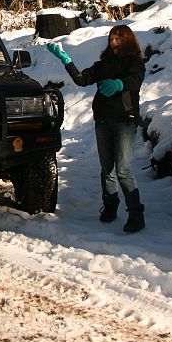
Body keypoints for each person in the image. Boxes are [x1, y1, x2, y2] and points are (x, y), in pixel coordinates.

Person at [46, 25, 146, 233]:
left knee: (123, 169)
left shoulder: (134, 62)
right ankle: (110, 207)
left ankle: (136, 214)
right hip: (103, 121)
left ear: (127, 40)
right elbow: (82, 79)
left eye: (118, 38)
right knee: (107, 169)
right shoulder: (104, 64)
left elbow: (135, 81)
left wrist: (119, 84)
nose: (113, 42)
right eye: (111, 38)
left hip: (125, 122)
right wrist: (65, 59)